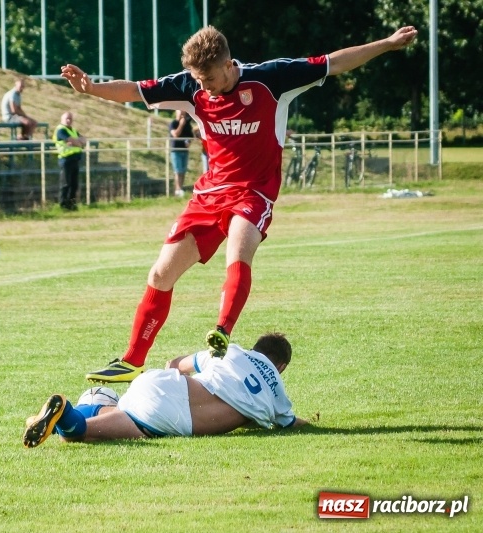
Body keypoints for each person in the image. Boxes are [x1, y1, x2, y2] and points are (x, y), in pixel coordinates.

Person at [61, 25, 418, 383]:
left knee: (238, 251)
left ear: (228, 65)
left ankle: (222, 331)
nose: (204, 87)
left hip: (253, 192)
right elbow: (135, 90)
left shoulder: (272, 79)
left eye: (209, 79)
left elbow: (333, 63)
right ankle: (132, 361)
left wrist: (386, 44)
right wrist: (91, 88)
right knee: (160, 274)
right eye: (198, 80)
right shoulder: (190, 86)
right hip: (208, 195)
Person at [23, 332, 310, 447]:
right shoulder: (276, 392)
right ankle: (67, 416)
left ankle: (62, 415)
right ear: (281, 366)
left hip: (161, 382)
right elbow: (290, 423)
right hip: (173, 412)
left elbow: (175, 364)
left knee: (118, 416)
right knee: (80, 435)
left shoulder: (232, 351)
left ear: (255, 348)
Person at [53, 111, 87, 210]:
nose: (68, 120)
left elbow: (84, 140)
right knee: (66, 183)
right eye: (66, 118)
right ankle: (64, 205)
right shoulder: (61, 130)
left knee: (74, 184)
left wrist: (78, 142)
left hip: (75, 159)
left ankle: (72, 204)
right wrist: (78, 142)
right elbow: (75, 141)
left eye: (70, 119)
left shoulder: (73, 130)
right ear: (62, 119)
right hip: (66, 159)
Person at [169, 109, 194, 197]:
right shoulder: (173, 123)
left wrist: (189, 142)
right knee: (178, 171)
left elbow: (190, 136)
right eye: (180, 111)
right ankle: (177, 189)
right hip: (176, 150)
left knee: (183, 171)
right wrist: (181, 124)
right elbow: (175, 135)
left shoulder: (188, 125)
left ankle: (181, 188)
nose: (181, 114)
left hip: (185, 150)